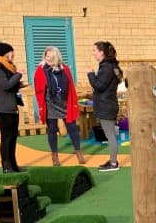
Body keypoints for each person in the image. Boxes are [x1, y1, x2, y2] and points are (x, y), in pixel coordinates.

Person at [33, 46, 86, 167]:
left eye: (51, 57)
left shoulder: (65, 69)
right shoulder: (41, 70)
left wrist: (72, 102)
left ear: (56, 57)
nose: (49, 59)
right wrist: (42, 104)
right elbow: (39, 89)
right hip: (50, 103)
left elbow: (71, 87)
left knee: (72, 128)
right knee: (52, 130)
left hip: (64, 102)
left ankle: (78, 152)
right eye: (47, 57)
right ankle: (54, 156)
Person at [0, 41, 26, 173]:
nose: (13, 55)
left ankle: (13, 164)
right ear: (5, 53)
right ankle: (6, 165)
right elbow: (5, 85)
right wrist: (18, 74)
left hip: (12, 105)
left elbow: (10, 85)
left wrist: (19, 84)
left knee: (13, 135)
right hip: (3, 107)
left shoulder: (7, 67)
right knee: (7, 137)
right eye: (11, 52)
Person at [87, 41, 123, 172]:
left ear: (102, 52)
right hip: (109, 103)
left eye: (95, 50)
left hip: (106, 105)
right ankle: (112, 160)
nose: (93, 53)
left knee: (110, 135)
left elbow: (99, 86)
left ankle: (113, 163)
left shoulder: (106, 67)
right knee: (110, 134)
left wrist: (90, 74)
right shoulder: (112, 66)